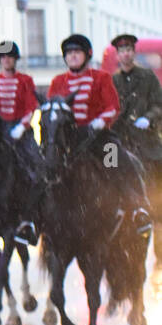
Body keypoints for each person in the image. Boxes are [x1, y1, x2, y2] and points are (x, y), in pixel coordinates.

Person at [45, 34, 151, 238]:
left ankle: (137, 208)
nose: (72, 57)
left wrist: (101, 121)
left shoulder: (101, 77)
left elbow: (113, 106)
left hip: (99, 138)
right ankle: (33, 220)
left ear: (87, 55)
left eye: (77, 53)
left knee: (118, 160)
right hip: (68, 140)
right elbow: (52, 109)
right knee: (46, 166)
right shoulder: (58, 81)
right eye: (69, 54)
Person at [0, 40, 44, 247]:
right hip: (1, 136)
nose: (6, 60)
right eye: (3, 57)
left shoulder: (25, 80)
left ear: (15, 60)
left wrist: (22, 126)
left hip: (22, 135)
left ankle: (32, 218)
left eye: (10, 57)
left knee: (37, 170)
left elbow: (31, 107)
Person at [109, 33, 162, 206]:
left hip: (145, 138)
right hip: (120, 140)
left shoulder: (148, 77)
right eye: (122, 51)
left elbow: (158, 104)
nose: (126, 54)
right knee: (107, 168)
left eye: (129, 50)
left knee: (157, 170)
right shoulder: (112, 81)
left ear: (134, 53)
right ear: (117, 55)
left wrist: (148, 118)